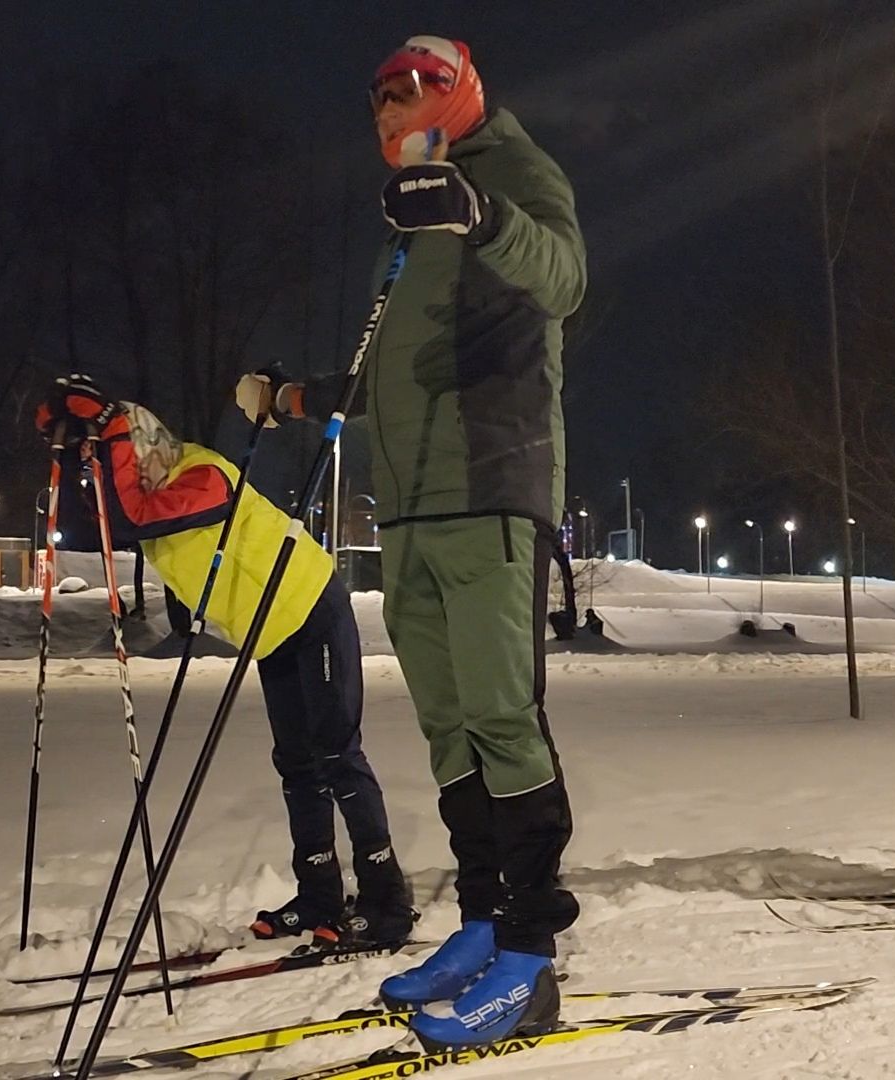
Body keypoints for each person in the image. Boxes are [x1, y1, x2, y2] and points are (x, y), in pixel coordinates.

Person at [235, 35, 584, 1049]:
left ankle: (529, 959)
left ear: (459, 89)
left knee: (502, 719)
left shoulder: (513, 173)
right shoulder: (408, 214)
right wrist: (294, 399)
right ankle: (481, 923)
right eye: (379, 98)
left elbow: (563, 279)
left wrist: (481, 213)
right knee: (448, 729)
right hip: (414, 506)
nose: (389, 111)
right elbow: (396, 372)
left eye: (410, 92)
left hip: (489, 483)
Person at [37, 378, 416, 946]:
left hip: (310, 607)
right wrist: (73, 449)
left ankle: (386, 897)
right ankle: (318, 894)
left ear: (139, 444)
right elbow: (114, 517)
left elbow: (138, 516)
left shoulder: (203, 474)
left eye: (110, 452)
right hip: (269, 631)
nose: (103, 466)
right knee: (295, 763)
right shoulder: (148, 492)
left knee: (336, 752)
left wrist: (112, 423)